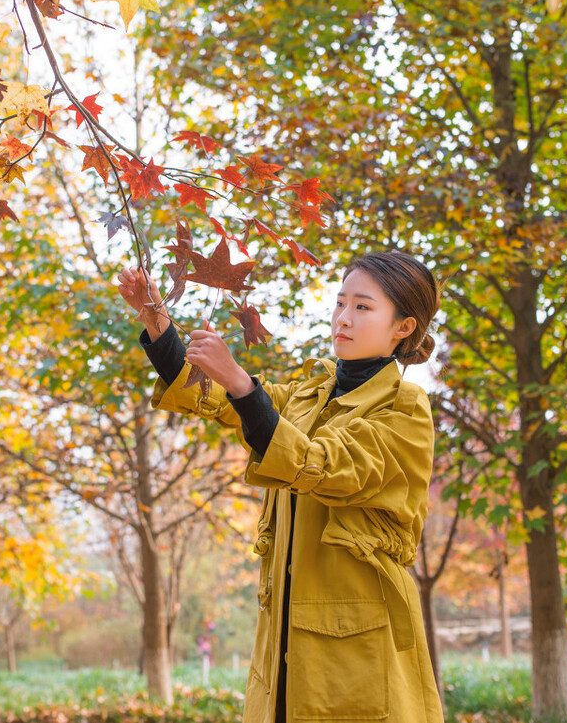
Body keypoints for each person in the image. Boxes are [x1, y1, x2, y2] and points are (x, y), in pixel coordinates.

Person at [117, 250, 446, 723]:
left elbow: (324, 466)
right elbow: (220, 400)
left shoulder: (404, 408)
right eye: (340, 303)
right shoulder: (309, 394)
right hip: (285, 647)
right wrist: (158, 323)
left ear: (404, 327)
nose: (343, 319)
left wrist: (239, 382)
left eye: (363, 307)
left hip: (361, 651)